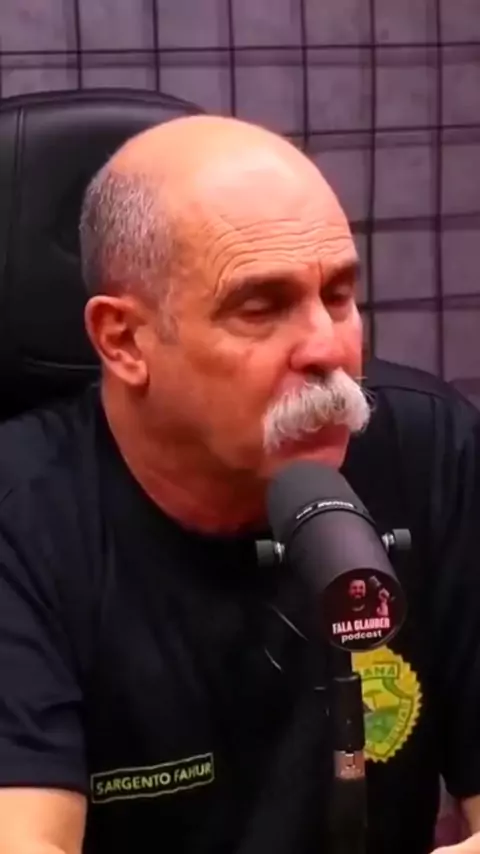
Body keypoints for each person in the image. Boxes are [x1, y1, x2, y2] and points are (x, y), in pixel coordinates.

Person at [0, 115, 479, 854]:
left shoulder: (432, 449)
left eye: (340, 295)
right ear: (124, 340)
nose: (328, 347)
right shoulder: (21, 515)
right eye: (261, 307)